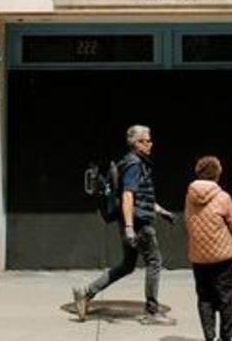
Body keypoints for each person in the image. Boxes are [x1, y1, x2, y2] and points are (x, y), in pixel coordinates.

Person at [73, 124, 177, 325]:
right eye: (146, 140)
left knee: (127, 265)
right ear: (136, 143)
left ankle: (86, 293)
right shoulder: (134, 164)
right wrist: (130, 227)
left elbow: (140, 196)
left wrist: (161, 211)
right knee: (155, 262)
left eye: (150, 140)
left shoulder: (132, 162)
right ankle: (152, 312)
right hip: (139, 223)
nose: (150, 144)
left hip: (134, 219)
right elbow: (128, 196)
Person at [185, 156, 232, 341]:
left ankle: (209, 337)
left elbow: (188, 222)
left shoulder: (190, 196)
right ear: (217, 174)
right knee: (226, 298)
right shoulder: (223, 197)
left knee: (204, 298)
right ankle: (226, 337)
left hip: (199, 256)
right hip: (222, 257)